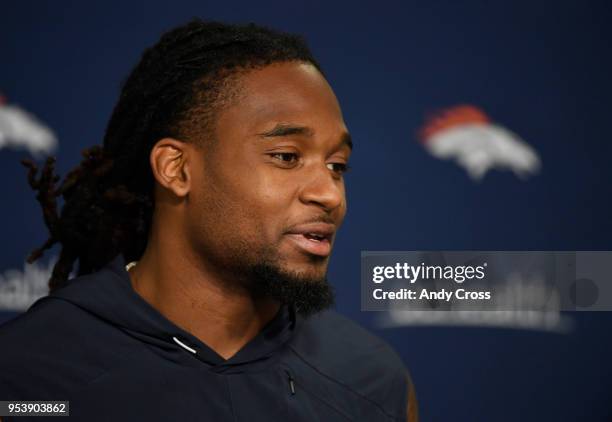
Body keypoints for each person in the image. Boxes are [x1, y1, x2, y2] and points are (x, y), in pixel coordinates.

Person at [0, 19, 418, 421]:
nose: (329, 194)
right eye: (287, 157)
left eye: (337, 166)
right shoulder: (28, 376)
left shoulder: (372, 380)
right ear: (176, 169)